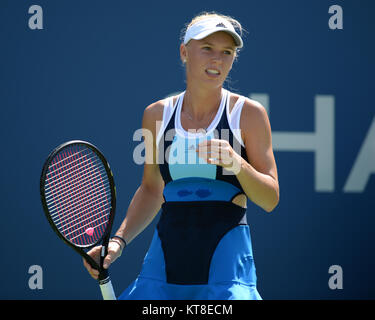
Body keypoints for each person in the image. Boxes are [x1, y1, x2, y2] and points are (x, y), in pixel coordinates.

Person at [83, 11, 279, 300]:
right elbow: (151, 189)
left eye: (227, 52)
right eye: (207, 49)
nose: (217, 60)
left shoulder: (249, 115)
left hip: (227, 276)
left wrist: (236, 163)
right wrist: (118, 242)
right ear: (184, 52)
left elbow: (270, 198)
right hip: (161, 271)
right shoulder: (156, 115)